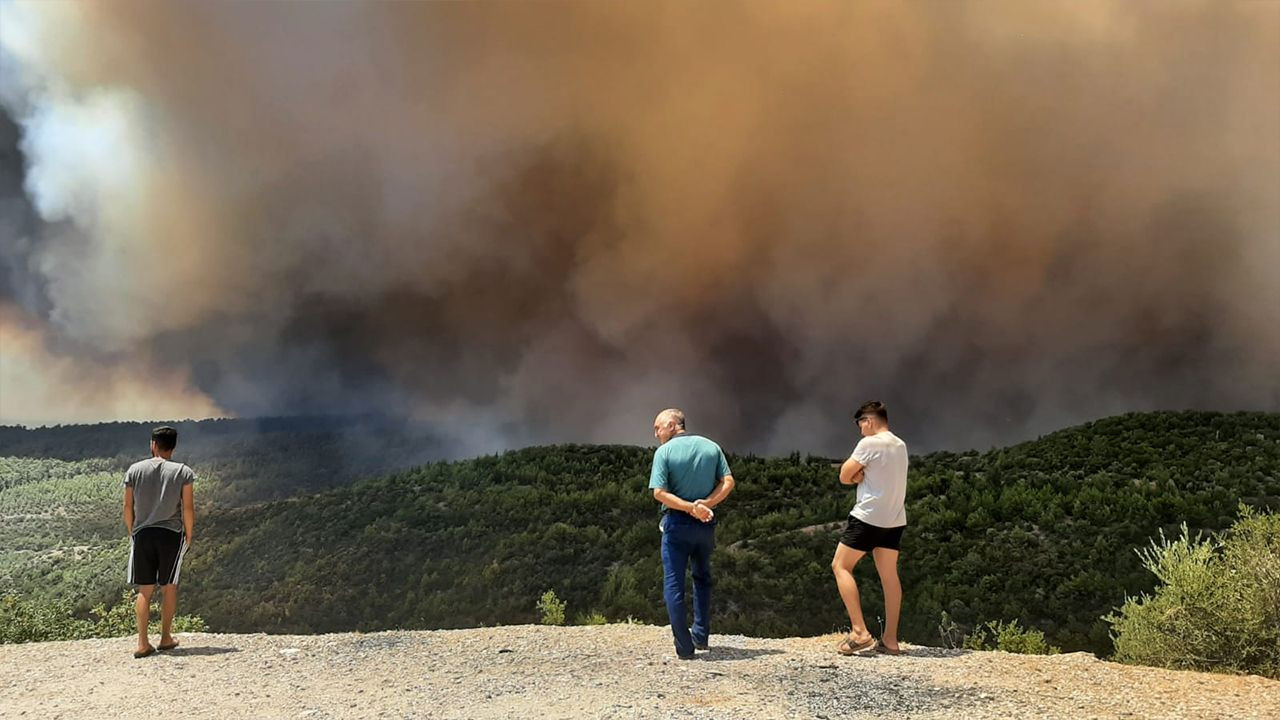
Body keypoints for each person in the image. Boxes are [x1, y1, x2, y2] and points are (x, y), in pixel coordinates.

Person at [648, 408, 735, 659]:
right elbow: (728, 481)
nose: (656, 433)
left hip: (677, 524)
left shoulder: (663, 452)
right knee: (702, 578)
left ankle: (685, 648)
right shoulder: (711, 447)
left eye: (658, 427)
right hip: (705, 525)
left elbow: (659, 493)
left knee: (674, 583)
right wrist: (705, 505)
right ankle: (701, 636)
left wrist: (689, 507)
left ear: (673, 425)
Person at [831, 401, 909, 656]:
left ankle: (860, 633)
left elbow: (844, 475)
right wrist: (861, 475)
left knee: (840, 566)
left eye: (859, 424)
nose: (859, 430)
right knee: (890, 577)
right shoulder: (900, 445)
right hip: (895, 519)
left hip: (868, 517)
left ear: (869, 420)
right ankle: (891, 640)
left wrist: (857, 476)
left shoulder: (869, 443)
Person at [123, 426, 195, 658]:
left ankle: (142, 643)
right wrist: (189, 534)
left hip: (142, 533)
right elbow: (187, 507)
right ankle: (165, 637)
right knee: (169, 587)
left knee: (145, 590)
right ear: (173, 446)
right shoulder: (183, 472)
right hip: (170, 534)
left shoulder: (134, 470)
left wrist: (131, 530)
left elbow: (127, 506)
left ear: (153, 444)